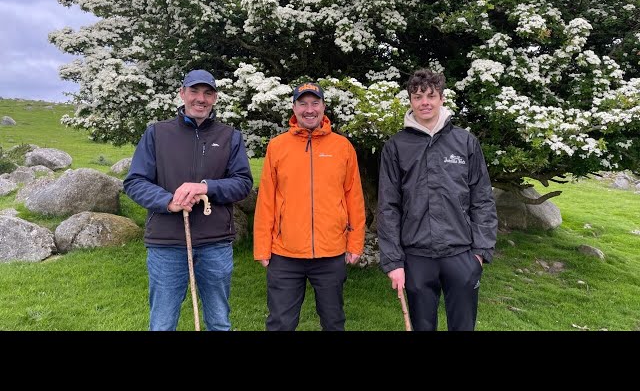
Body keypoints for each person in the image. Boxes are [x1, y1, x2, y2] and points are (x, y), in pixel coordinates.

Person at [124, 69, 253, 331]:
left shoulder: (230, 137)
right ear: (182, 94)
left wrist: (206, 187)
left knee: (218, 321)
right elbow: (135, 181)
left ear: (215, 98)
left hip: (215, 243)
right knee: (162, 322)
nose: (200, 99)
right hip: (167, 243)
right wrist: (167, 201)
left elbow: (242, 183)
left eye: (208, 93)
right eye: (194, 91)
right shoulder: (157, 133)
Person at [377, 68, 498, 331]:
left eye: (431, 96)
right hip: (416, 257)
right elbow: (388, 207)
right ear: (410, 100)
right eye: (418, 96)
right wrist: (393, 261)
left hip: (461, 254)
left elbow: (482, 200)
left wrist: (480, 252)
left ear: (442, 98)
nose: (425, 102)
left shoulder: (465, 142)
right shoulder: (395, 147)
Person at [253, 82, 366, 331]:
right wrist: (262, 248)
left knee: (334, 321)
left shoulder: (343, 147)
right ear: (294, 108)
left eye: (315, 103)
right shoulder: (277, 146)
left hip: (331, 252)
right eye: (303, 103)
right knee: (280, 323)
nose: (309, 109)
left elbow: (354, 199)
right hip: (285, 253)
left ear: (324, 107)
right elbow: (266, 201)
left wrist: (355, 242)